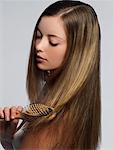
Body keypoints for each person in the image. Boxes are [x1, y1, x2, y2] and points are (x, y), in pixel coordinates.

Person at [0, 0, 101, 149]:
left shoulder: (56, 116)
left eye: (53, 42)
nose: (39, 46)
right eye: (38, 36)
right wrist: (8, 141)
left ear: (78, 51)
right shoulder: (54, 95)